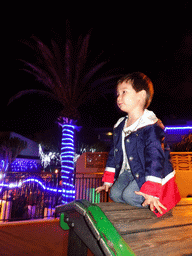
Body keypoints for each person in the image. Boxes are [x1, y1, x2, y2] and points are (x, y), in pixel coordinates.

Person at [96, 72, 180, 217]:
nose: (119, 97)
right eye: (118, 93)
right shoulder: (120, 125)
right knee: (115, 194)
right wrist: (108, 181)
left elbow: (155, 158)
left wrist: (152, 190)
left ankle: (160, 203)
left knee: (129, 196)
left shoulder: (150, 126)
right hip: (128, 172)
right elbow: (113, 154)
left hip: (149, 174)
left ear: (141, 95)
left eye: (124, 92)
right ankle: (141, 209)